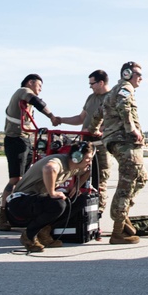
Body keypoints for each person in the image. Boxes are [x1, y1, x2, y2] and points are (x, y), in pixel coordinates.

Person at [0, 73, 61, 230]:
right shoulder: (23, 91)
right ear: (30, 83)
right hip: (15, 139)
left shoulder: (25, 102)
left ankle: (22, 213)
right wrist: (51, 116)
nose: (39, 90)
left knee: (26, 178)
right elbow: (37, 101)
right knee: (15, 179)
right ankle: (3, 215)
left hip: (25, 140)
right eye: (39, 86)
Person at [7, 141, 95, 253]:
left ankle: (44, 231)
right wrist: (52, 192)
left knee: (80, 200)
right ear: (77, 157)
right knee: (57, 204)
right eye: (88, 159)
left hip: (36, 199)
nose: (90, 162)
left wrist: (76, 187)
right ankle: (29, 235)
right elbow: (49, 169)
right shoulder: (59, 161)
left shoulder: (75, 165)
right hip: (20, 201)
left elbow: (86, 172)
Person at [101, 61, 148, 245]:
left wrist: (95, 127)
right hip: (124, 141)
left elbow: (100, 111)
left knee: (141, 178)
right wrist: (132, 130)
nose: (140, 78)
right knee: (127, 184)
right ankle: (118, 231)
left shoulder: (114, 90)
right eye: (138, 74)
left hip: (119, 141)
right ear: (128, 74)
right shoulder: (125, 88)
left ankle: (122, 213)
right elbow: (124, 107)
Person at [57, 69, 111, 213]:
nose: (90, 87)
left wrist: (98, 130)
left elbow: (116, 123)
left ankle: (97, 214)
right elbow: (81, 119)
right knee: (79, 177)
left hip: (100, 146)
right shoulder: (91, 98)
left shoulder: (113, 98)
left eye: (92, 84)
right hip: (85, 145)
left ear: (101, 82)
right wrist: (60, 120)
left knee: (100, 181)